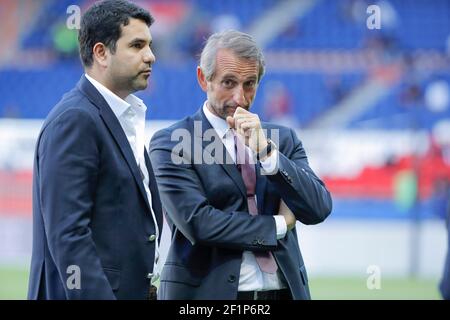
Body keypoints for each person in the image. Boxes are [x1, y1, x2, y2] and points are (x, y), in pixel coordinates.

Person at [149, 30, 332, 300]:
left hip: (283, 292)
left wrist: (267, 154)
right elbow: (199, 224)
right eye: (229, 83)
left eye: (250, 84)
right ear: (203, 79)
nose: (240, 97)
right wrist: (279, 225)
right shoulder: (172, 143)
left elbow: (318, 208)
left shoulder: (282, 139)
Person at [28, 0, 163, 300]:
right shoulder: (76, 120)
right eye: (137, 45)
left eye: (149, 45)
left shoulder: (115, 116)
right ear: (101, 52)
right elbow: (69, 237)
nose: (150, 56)